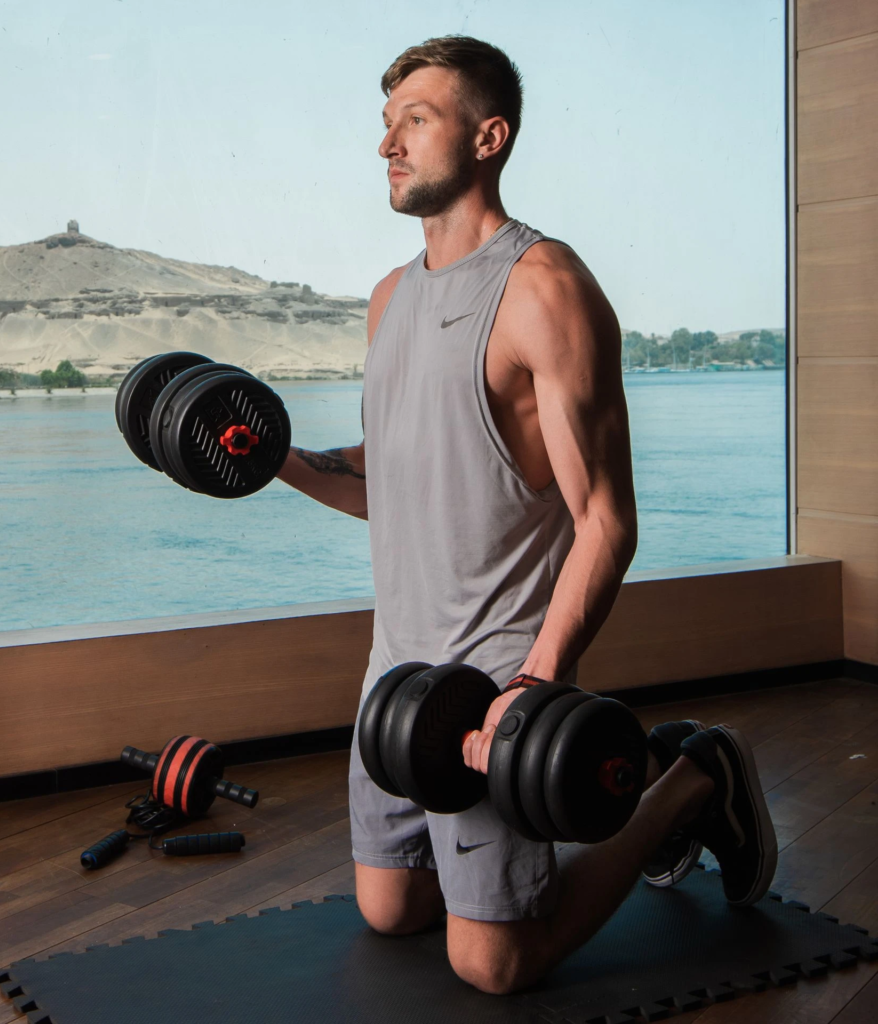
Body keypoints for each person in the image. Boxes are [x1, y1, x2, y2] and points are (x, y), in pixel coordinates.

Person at [276, 35, 777, 995]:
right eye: (386, 127)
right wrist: (271, 461)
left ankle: (692, 779)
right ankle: (664, 775)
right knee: (389, 912)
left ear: (489, 137)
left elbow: (606, 523)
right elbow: (392, 480)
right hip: (398, 677)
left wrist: (532, 691)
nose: (388, 144)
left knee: (493, 964)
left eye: (415, 122)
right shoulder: (389, 302)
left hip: (494, 677)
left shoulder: (545, 291)